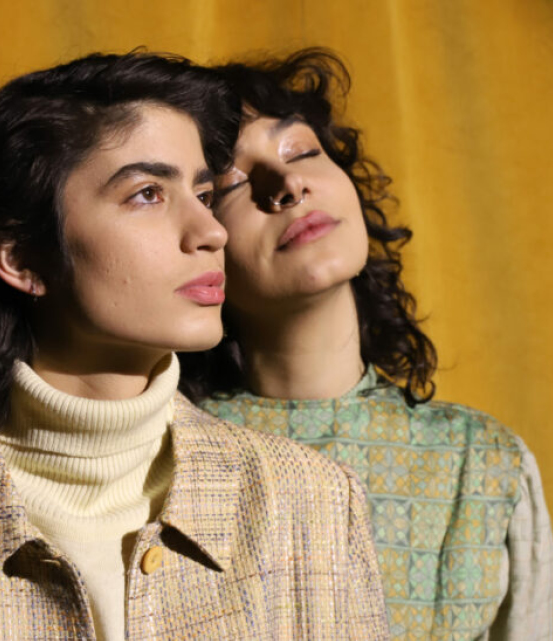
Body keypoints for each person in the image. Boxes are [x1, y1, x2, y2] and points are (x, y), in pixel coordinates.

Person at [0, 52, 389, 640]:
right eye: (148, 194)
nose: (211, 232)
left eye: (205, 195)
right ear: (21, 258)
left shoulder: (311, 502)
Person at [180, 49, 553, 641]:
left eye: (302, 151)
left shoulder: (482, 461)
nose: (288, 185)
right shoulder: (166, 457)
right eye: (232, 184)